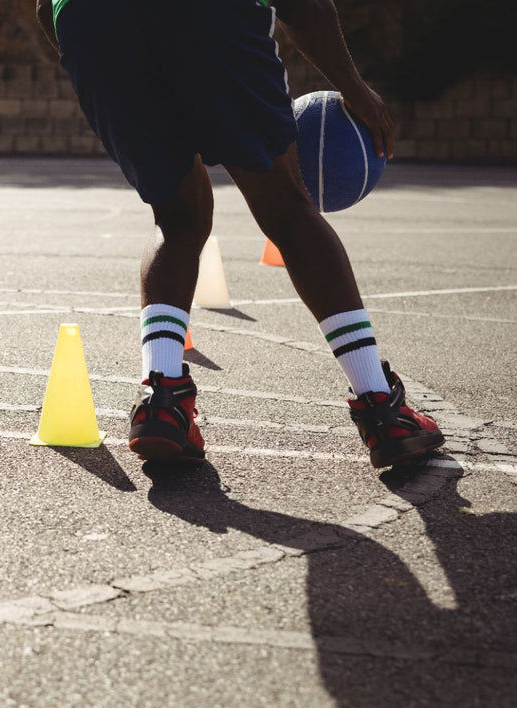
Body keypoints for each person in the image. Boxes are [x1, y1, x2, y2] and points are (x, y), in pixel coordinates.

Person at [35, 0, 445, 468]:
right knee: (288, 210)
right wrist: (354, 87)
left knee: (177, 220)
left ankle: (162, 400)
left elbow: (46, 9)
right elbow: (306, 8)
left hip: (92, 24)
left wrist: (105, 56)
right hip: (208, 17)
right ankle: (381, 408)